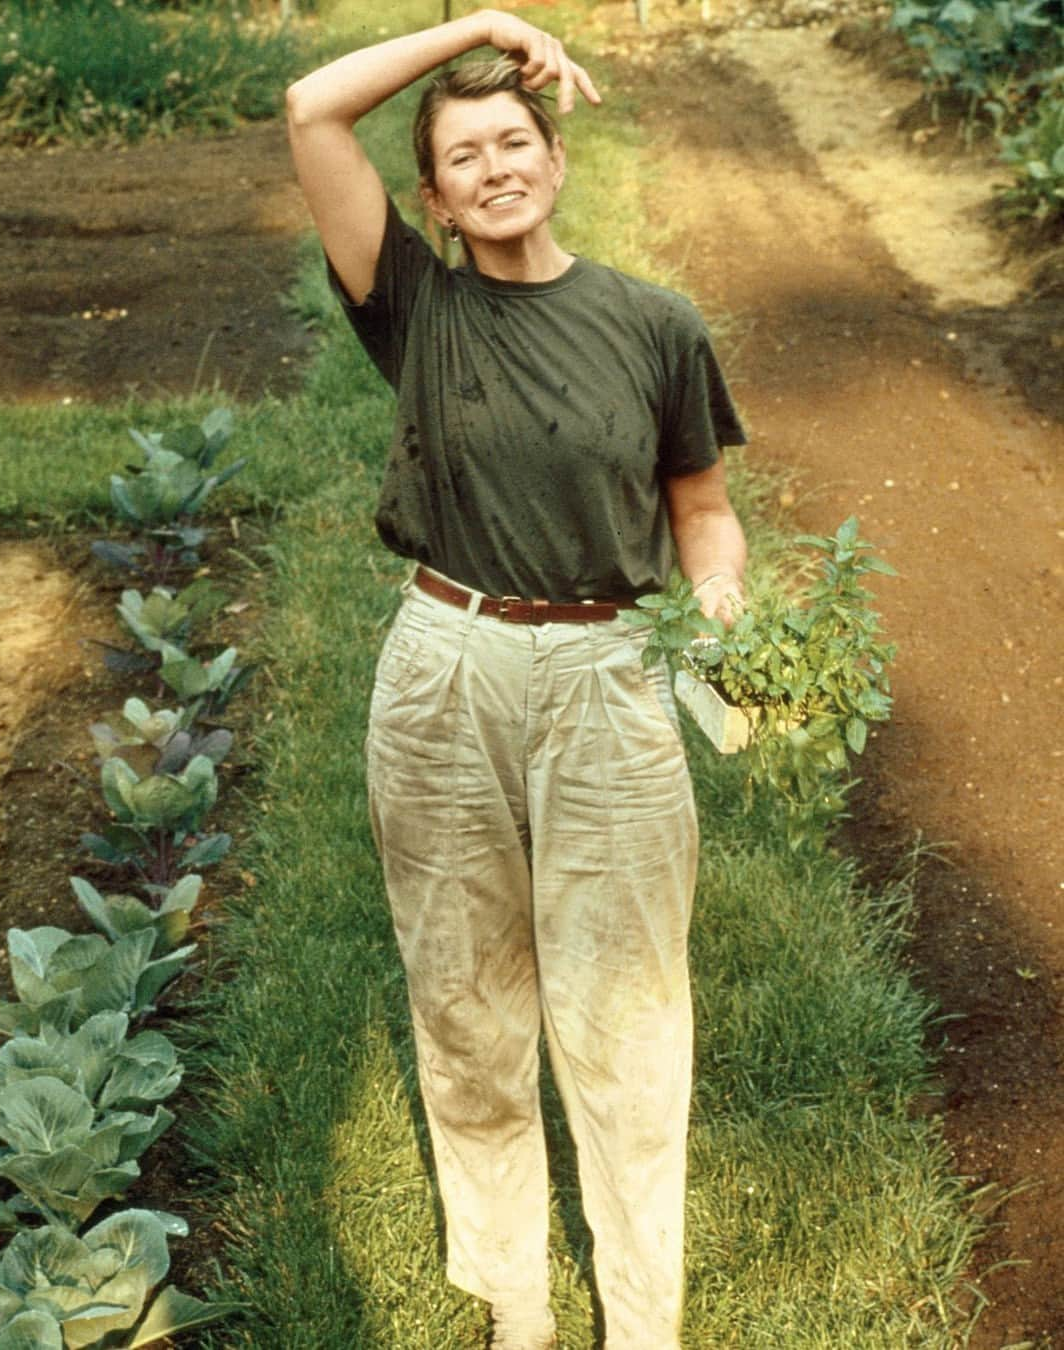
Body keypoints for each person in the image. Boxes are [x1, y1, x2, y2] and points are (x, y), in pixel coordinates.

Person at [286, 11, 747, 1348]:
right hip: (447, 669)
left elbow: (702, 504)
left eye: (513, 140)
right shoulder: (416, 305)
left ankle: (642, 1319)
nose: (494, 167)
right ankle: (518, 1304)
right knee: (469, 1006)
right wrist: (482, 29)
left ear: (555, 156)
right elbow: (313, 109)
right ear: (430, 197)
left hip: (610, 669)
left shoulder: (653, 324)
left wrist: (720, 604)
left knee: (630, 1016)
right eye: (461, 156)